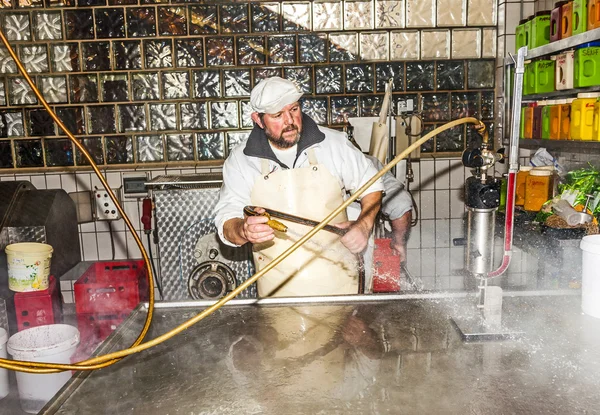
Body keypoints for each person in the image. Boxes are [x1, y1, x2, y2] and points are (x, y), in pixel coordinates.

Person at [214, 76, 384, 297]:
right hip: (278, 294)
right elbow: (226, 222)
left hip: (342, 288)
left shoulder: (334, 145)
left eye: (294, 109)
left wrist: (363, 225)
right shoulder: (241, 162)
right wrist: (243, 230)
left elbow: (372, 184)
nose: (290, 121)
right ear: (258, 119)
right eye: (277, 115)